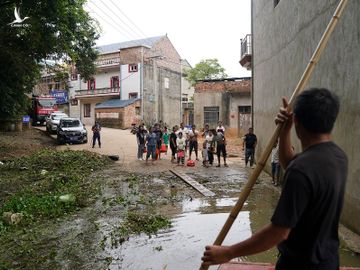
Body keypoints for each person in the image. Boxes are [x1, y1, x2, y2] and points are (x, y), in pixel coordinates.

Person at [201, 88, 347, 270]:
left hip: (299, 265)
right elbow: (290, 163)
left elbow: (278, 233)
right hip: (328, 262)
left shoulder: (302, 170)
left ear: (297, 121)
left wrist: (229, 252)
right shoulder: (338, 157)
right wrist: (285, 131)